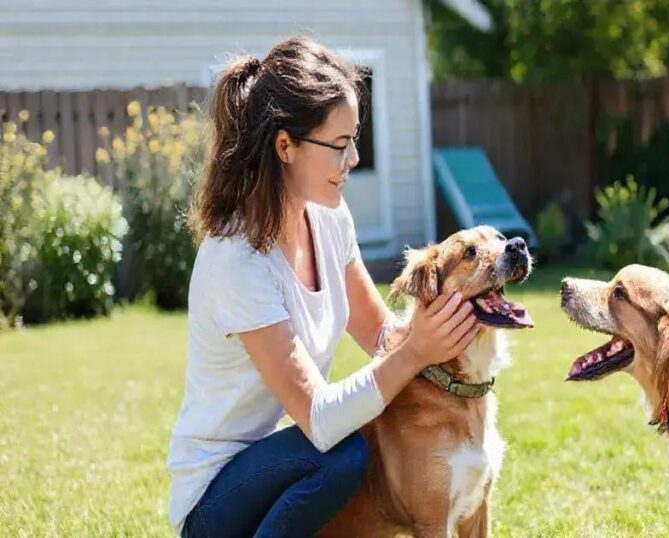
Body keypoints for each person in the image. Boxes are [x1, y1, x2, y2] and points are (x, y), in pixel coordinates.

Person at [166, 36, 479, 537]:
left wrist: (454, 349)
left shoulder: (330, 222)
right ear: (285, 146)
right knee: (340, 456)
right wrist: (417, 351)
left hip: (286, 472)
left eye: (355, 140)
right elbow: (318, 417)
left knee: (345, 453)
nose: (353, 158)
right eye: (339, 145)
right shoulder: (236, 259)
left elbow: (384, 337)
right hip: (216, 501)